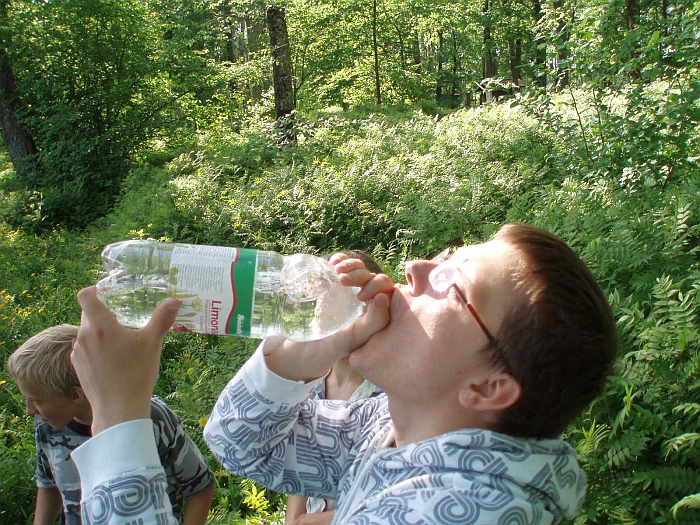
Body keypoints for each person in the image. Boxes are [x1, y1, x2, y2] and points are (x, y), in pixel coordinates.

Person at [69, 223, 618, 525]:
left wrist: (118, 421)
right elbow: (240, 443)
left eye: (453, 283)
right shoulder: (387, 427)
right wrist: (304, 348)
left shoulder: (461, 512)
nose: (416, 267)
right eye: (445, 254)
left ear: (487, 387)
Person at [7, 324, 216, 525]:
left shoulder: (150, 418)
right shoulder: (47, 425)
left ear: (75, 395)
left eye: (36, 400)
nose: (29, 410)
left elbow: (200, 486)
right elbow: (49, 485)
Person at [285, 250, 384, 525]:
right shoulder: (308, 384)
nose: (323, 306)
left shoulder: (390, 388)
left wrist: (325, 520)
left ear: (366, 307)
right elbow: (301, 465)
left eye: (336, 296)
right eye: (321, 295)